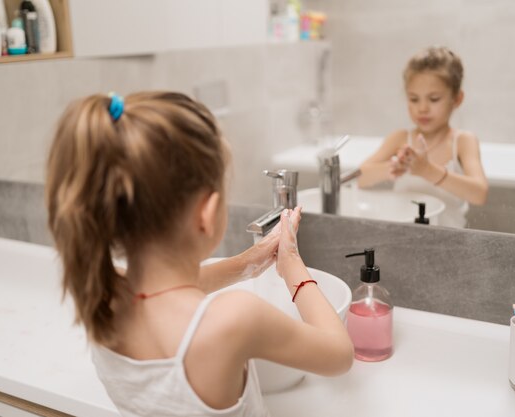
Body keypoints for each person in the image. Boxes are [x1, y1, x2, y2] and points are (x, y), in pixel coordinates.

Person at [45, 91, 353, 417]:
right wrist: (292, 266)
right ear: (208, 212)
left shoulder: (101, 290)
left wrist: (250, 262)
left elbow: (175, 293)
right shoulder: (236, 318)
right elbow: (339, 354)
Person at [357, 46, 488, 228]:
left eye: (434, 99)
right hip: (404, 236)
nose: (422, 108)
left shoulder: (463, 142)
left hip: (449, 240)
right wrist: (393, 167)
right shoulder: (400, 138)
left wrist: (428, 170)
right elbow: (359, 178)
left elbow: (479, 193)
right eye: (414, 99)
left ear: (457, 99)